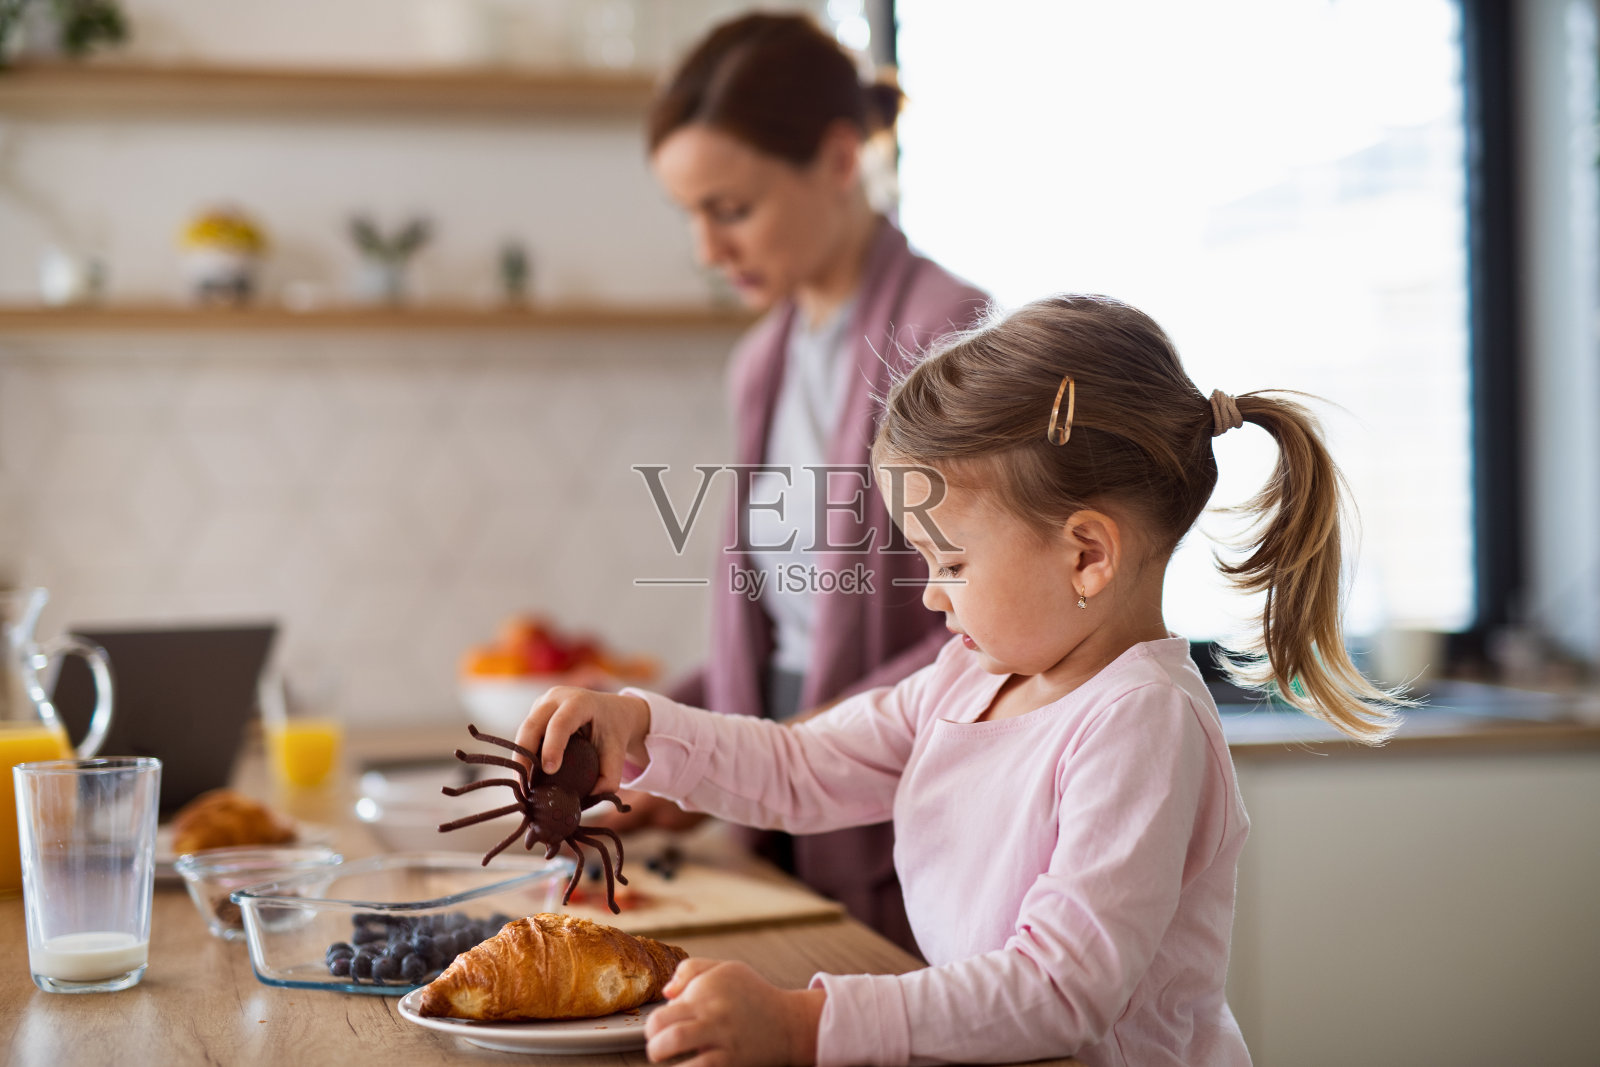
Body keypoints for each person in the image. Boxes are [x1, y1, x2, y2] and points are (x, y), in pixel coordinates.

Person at [518, 294, 1403, 1066]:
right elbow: (799, 767)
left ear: (1087, 555)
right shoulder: (966, 680)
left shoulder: (1142, 725)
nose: (932, 594)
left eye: (949, 560)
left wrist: (806, 1022)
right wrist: (642, 729)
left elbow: (1059, 989)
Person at [601, 11, 988, 953]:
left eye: (730, 209)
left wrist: (747, 759)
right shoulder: (763, 357)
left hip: (910, 835)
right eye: (690, 215)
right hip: (782, 828)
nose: (705, 247)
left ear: (840, 158)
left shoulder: (955, 334)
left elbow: (990, 636)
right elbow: (779, 635)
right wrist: (664, 741)